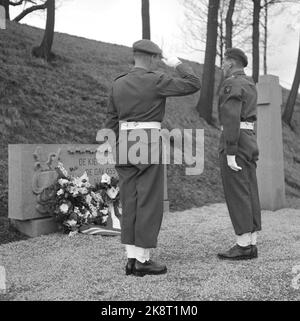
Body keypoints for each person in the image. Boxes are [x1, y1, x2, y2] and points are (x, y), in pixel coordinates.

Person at [104, 39, 201, 276]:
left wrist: (113, 146)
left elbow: (111, 120)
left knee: (129, 201)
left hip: (125, 145)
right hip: (148, 143)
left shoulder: (118, 83)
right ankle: (143, 261)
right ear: (152, 58)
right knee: (149, 201)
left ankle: (131, 258)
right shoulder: (156, 80)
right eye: (158, 58)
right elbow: (194, 83)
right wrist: (176, 63)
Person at [217, 48, 262, 260]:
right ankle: (251, 241)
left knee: (237, 191)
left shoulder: (232, 83)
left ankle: (243, 245)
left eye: (224, 62)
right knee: (250, 188)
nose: (222, 66)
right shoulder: (249, 83)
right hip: (249, 137)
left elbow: (231, 117)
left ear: (231, 63)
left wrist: (230, 150)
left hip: (236, 139)